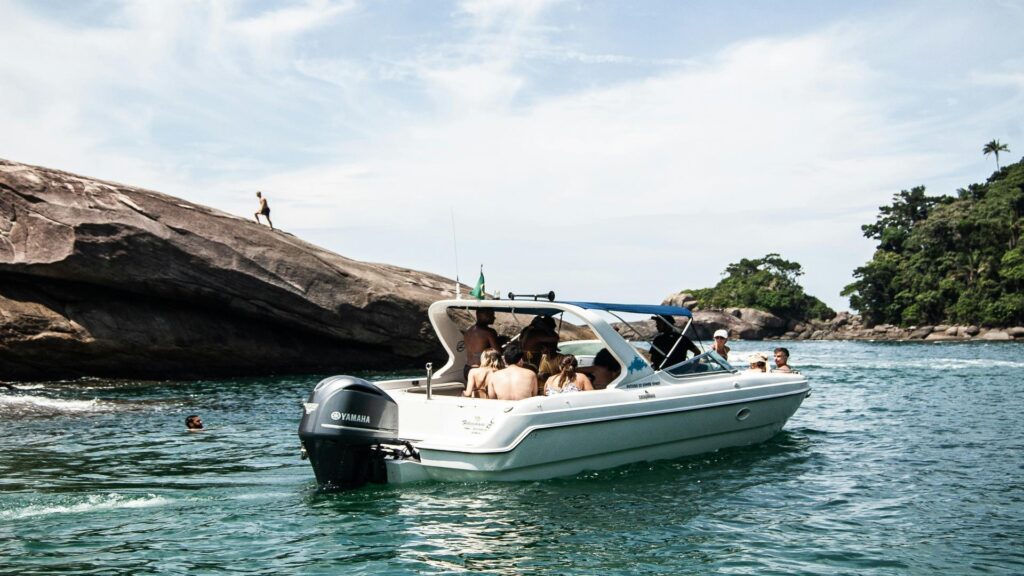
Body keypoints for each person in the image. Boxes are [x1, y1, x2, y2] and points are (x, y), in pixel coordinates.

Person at [463, 309, 499, 381]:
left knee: (473, 391)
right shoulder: (489, 332)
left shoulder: (468, 330)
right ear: (480, 315)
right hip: (480, 370)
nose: (494, 317)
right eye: (490, 315)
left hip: (467, 368)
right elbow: (497, 352)